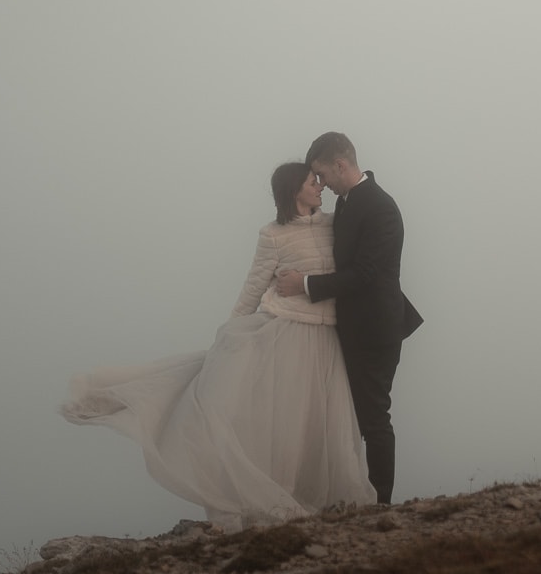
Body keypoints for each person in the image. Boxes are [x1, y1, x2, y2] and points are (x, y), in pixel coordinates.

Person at [60, 162, 376, 530]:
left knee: (321, 426)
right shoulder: (273, 235)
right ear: (295, 191)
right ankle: (277, 508)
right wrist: (229, 335)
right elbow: (252, 290)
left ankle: (328, 508)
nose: (320, 186)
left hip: (327, 340)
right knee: (287, 426)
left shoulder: (332, 224)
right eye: (312, 181)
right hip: (287, 338)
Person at [274, 132, 422, 505]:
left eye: (322, 175)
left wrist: (304, 284)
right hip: (352, 327)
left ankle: (381, 505)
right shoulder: (347, 202)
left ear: (340, 165)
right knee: (350, 417)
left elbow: (366, 273)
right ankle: (353, 497)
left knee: (373, 417)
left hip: (376, 328)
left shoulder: (380, 206)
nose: (320, 183)